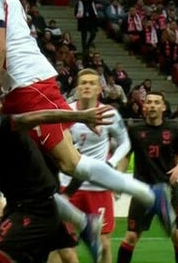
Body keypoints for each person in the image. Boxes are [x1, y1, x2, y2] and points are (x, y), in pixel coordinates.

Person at [0, 0, 174, 234]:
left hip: (29, 84)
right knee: (20, 159)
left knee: (70, 163)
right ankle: (77, 223)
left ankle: (145, 196)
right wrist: (2, 99)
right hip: (20, 88)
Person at [0, 107, 118, 263]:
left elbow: (34, 117)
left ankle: (85, 223)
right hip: (25, 206)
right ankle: (85, 223)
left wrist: (80, 116)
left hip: (36, 208)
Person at [51, 69, 132, 263]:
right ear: (77, 88)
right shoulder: (65, 112)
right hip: (67, 186)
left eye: (91, 83)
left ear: (99, 89)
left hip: (98, 187)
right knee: (59, 244)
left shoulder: (109, 114)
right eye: (83, 83)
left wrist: (111, 164)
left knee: (103, 243)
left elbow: (125, 143)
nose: (86, 86)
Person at [116, 91, 178, 263]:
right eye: (148, 102)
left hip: (168, 188)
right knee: (131, 237)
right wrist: (117, 178)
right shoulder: (134, 130)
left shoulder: (174, 129)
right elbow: (126, 156)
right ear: (144, 107)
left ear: (163, 107)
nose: (152, 105)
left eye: (156, 102)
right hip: (142, 190)